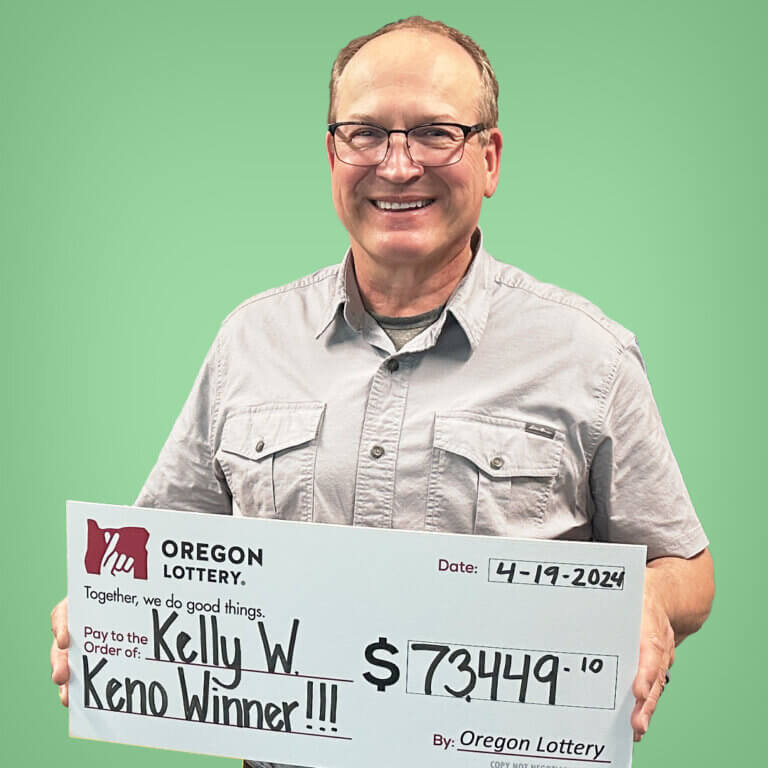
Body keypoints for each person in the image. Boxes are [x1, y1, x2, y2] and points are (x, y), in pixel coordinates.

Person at [50, 15, 714, 763]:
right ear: (332, 154)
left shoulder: (589, 355)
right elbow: (159, 550)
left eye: (435, 133)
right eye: (365, 134)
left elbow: (686, 568)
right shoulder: (248, 340)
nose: (397, 167)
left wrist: (650, 600)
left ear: (490, 159)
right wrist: (107, 612)